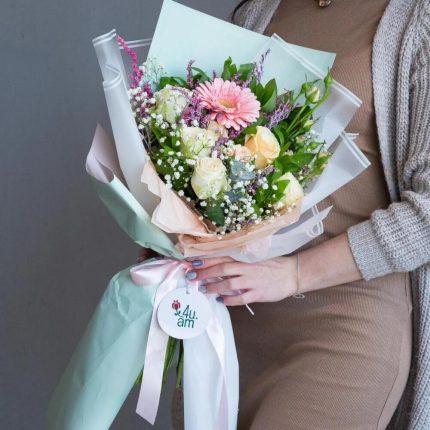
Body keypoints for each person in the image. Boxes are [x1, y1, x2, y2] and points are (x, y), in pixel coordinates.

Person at [140, 0, 430, 428]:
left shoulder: (419, 22)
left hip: (344, 322)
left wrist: (294, 274)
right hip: (228, 313)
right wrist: (168, 229)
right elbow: (211, 143)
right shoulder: (260, 9)